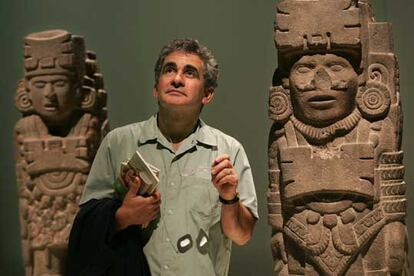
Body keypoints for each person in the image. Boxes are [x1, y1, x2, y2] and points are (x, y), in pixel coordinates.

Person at [67, 38, 258, 276]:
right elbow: (85, 226)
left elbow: (241, 236)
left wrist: (229, 198)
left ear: (207, 94)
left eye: (190, 73)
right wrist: (122, 216)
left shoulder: (229, 150)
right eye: (169, 70)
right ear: (156, 89)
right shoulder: (117, 142)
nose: (177, 79)